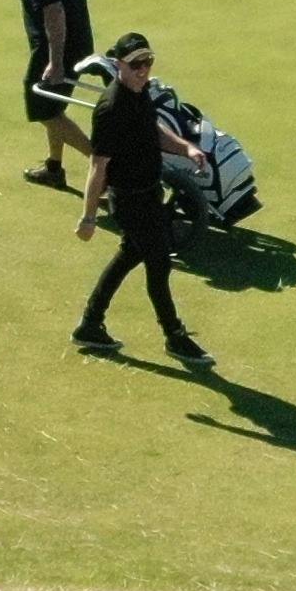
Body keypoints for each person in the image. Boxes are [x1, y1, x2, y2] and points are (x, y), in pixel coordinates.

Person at [71, 32, 211, 369]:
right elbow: (98, 165)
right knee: (159, 263)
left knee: (129, 255)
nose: (143, 69)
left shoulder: (140, 92)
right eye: (136, 64)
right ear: (118, 64)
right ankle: (174, 335)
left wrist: (185, 148)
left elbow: (153, 129)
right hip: (130, 201)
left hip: (149, 194)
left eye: (148, 62)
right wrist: (89, 217)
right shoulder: (111, 108)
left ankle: (90, 324)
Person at [5, 0, 95, 191]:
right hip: (78, 44)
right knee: (54, 110)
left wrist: (55, 62)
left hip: (56, 51)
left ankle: (103, 166)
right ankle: (54, 167)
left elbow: (54, 14)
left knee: (44, 111)